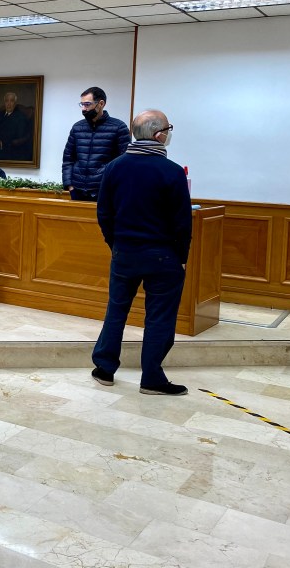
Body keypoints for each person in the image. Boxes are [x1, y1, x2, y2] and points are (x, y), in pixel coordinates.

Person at [91, 110, 192, 396]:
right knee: (159, 317)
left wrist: (115, 244)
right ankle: (152, 378)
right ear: (159, 135)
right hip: (163, 256)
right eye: (169, 129)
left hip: (124, 252)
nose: (169, 133)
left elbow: (104, 214)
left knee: (116, 310)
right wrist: (181, 257)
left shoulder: (114, 167)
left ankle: (104, 369)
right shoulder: (172, 171)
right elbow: (182, 222)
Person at [61, 86, 130, 201]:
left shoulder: (119, 127)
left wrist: (115, 187)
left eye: (87, 104)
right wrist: (69, 186)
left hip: (105, 191)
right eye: (82, 104)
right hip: (77, 190)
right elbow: (68, 159)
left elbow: (125, 162)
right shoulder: (77, 127)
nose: (84, 109)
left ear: (101, 104)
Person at [0, 92, 32, 160]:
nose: (9, 104)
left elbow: (20, 139)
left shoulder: (21, 117)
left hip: (8, 149)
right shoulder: (0, 114)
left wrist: (1, 144)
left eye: (11, 101)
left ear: (15, 103)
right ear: (4, 103)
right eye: (6, 101)